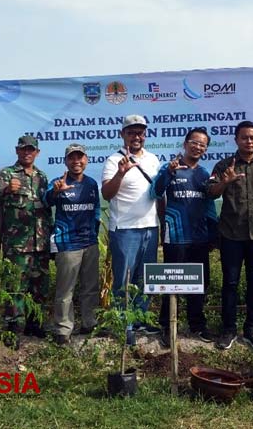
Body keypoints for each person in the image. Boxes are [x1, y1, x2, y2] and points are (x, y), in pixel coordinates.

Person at [208, 121, 253, 350]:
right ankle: (228, 330)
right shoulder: (224, 165)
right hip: (231, 235)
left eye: (252, 137)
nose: (249, 141)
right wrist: (225, 181)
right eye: (244, 137)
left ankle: (251, 329)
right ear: (236, 139)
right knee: (230, 283)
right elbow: (211, 193)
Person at [150, 127, 218, 347]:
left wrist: (212, 233)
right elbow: (156, 192)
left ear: (205, 149)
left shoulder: (204, 174)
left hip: (199, 237)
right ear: (185, 143)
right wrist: (168, 172)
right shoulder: (170, 168)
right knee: (171, 284)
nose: (198, 147)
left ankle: (197, 325)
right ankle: (167, 327)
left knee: (199, 284)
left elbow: (209, 205)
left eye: (202, 144)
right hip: (175, 236)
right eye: (194, 142)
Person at [101, 114, 161, 343]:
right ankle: (123, 324)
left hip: (150, 228)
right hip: (125, 229)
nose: (136, 137)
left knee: (145, 280)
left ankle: (140, 321)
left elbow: (158, 193)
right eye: (131, 132)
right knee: (124, 281)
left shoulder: (153, 159)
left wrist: (161, 226)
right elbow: (107, 194)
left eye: (140, 132)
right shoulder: (113, 160)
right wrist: (121, 172)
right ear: (122, 134)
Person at [0, 135, 52, 342]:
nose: (27, 153)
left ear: (37, 152)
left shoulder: (42, 177)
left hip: (40, 243)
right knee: (15, 288)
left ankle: (34, 324)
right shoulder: (6, 174)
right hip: (16, 245)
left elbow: (46, 210)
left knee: (39, 287)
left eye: (31, 150)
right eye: (24, 149)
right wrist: (7, 190)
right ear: (17, 151)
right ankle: (12, 328)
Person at [44, 143, 101, 345]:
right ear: (66, 161)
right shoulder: (57, 182)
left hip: (89, 243)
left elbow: (96, 211)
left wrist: (94, 234)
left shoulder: (92, 184)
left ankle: (89, 322)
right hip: (67, 244)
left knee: (91, 287)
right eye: (72, 158)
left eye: (80, 157)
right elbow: (46, 200)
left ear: (86, 160)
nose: (76, 161)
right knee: (65, 290)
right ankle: (63, 329)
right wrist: (56, 192)